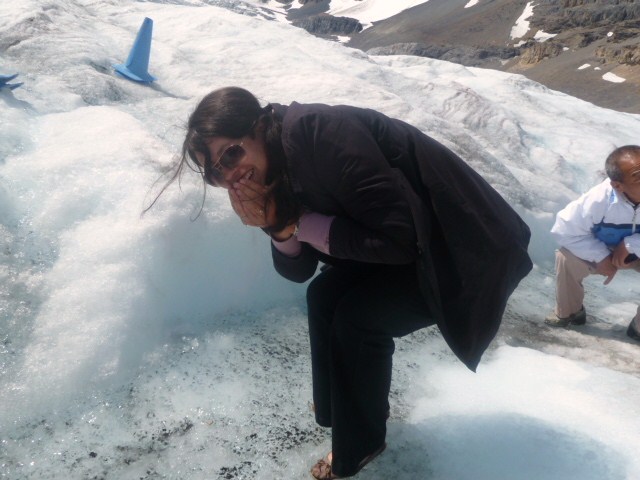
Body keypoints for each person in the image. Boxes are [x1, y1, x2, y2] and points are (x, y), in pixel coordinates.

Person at [158, 87, 532, 478]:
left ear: (260, 126)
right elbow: (300, 272)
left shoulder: (317, 133)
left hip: (459, 245)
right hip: (413, 244)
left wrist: (296, 223)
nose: (230, 174)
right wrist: (277, 226)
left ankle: (360, 444)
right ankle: (343, 414)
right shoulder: (273, 165)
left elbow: (400, 236)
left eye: (231, 153)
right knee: (323, 294)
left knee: (359, 319)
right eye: (215, 172)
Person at [545, 145, 640, 342]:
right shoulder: (598, 199)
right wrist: (602, 257)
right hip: (600, 248)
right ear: (617, 186)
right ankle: (570, 312)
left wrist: (631, 244)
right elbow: (564, 230)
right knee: (565, 257)